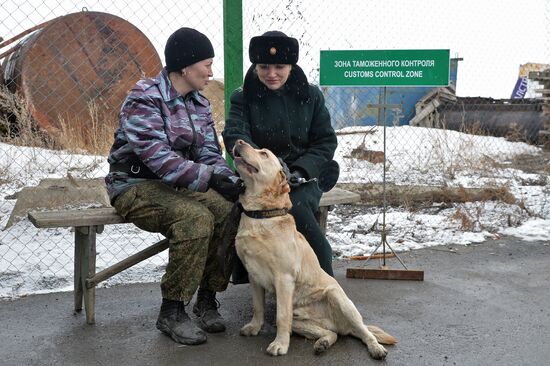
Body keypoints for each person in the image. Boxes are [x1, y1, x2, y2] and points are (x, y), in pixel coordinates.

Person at [105, 27, 244, 346]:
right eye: (206, 64)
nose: (211, 72)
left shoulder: (199, 104)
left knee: (228, 210)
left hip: (179, 184)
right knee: (194, 218)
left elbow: (209, 151)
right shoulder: (145, 97)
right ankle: (172, 311)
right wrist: (209, 178)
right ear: (184, 65)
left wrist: (228, 179)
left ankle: (207, 299)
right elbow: (158, 158)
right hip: (135, 185)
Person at [222, 31, 338, 277]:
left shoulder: (311, 96)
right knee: (244, 213)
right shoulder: (243, 97)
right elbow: (235, 134)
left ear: (291, 65)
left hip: (301, 175)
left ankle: (321, 280)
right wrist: (265, 166)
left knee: (294, 209)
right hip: (258, 175)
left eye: (279, 66)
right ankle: (268, 277)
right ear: (255, 66)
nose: (271, 73)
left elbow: (325, 142)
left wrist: (299, 170)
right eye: (264, 66)